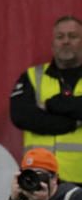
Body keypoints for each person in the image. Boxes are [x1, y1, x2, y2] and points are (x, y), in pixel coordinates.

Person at [10, 15, 82, 184]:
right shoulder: (32, 76)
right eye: (60, 37)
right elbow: (22, 116)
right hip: (39, 179)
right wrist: (73, 123)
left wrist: (51, 104)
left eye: (73, 36)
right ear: (52, 44)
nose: (66, 41)